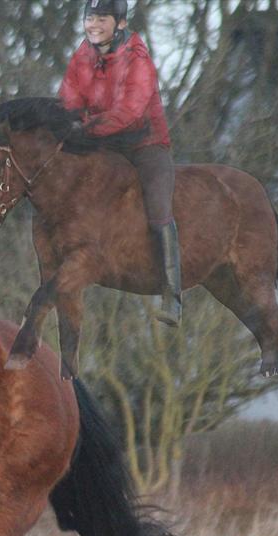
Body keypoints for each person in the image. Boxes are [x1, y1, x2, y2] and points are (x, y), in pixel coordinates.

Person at [59, 0, 181, 326]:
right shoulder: (82, 56)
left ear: (121, 24)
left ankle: (172, 294)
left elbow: (130, 114)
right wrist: (67, 122)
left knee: (157, 208)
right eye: (89, 18)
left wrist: (85, 129)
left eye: (101, 19)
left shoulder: (137, 58)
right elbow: (69, 98)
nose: (93, 25)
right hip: (103, 143)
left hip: (145, 144)